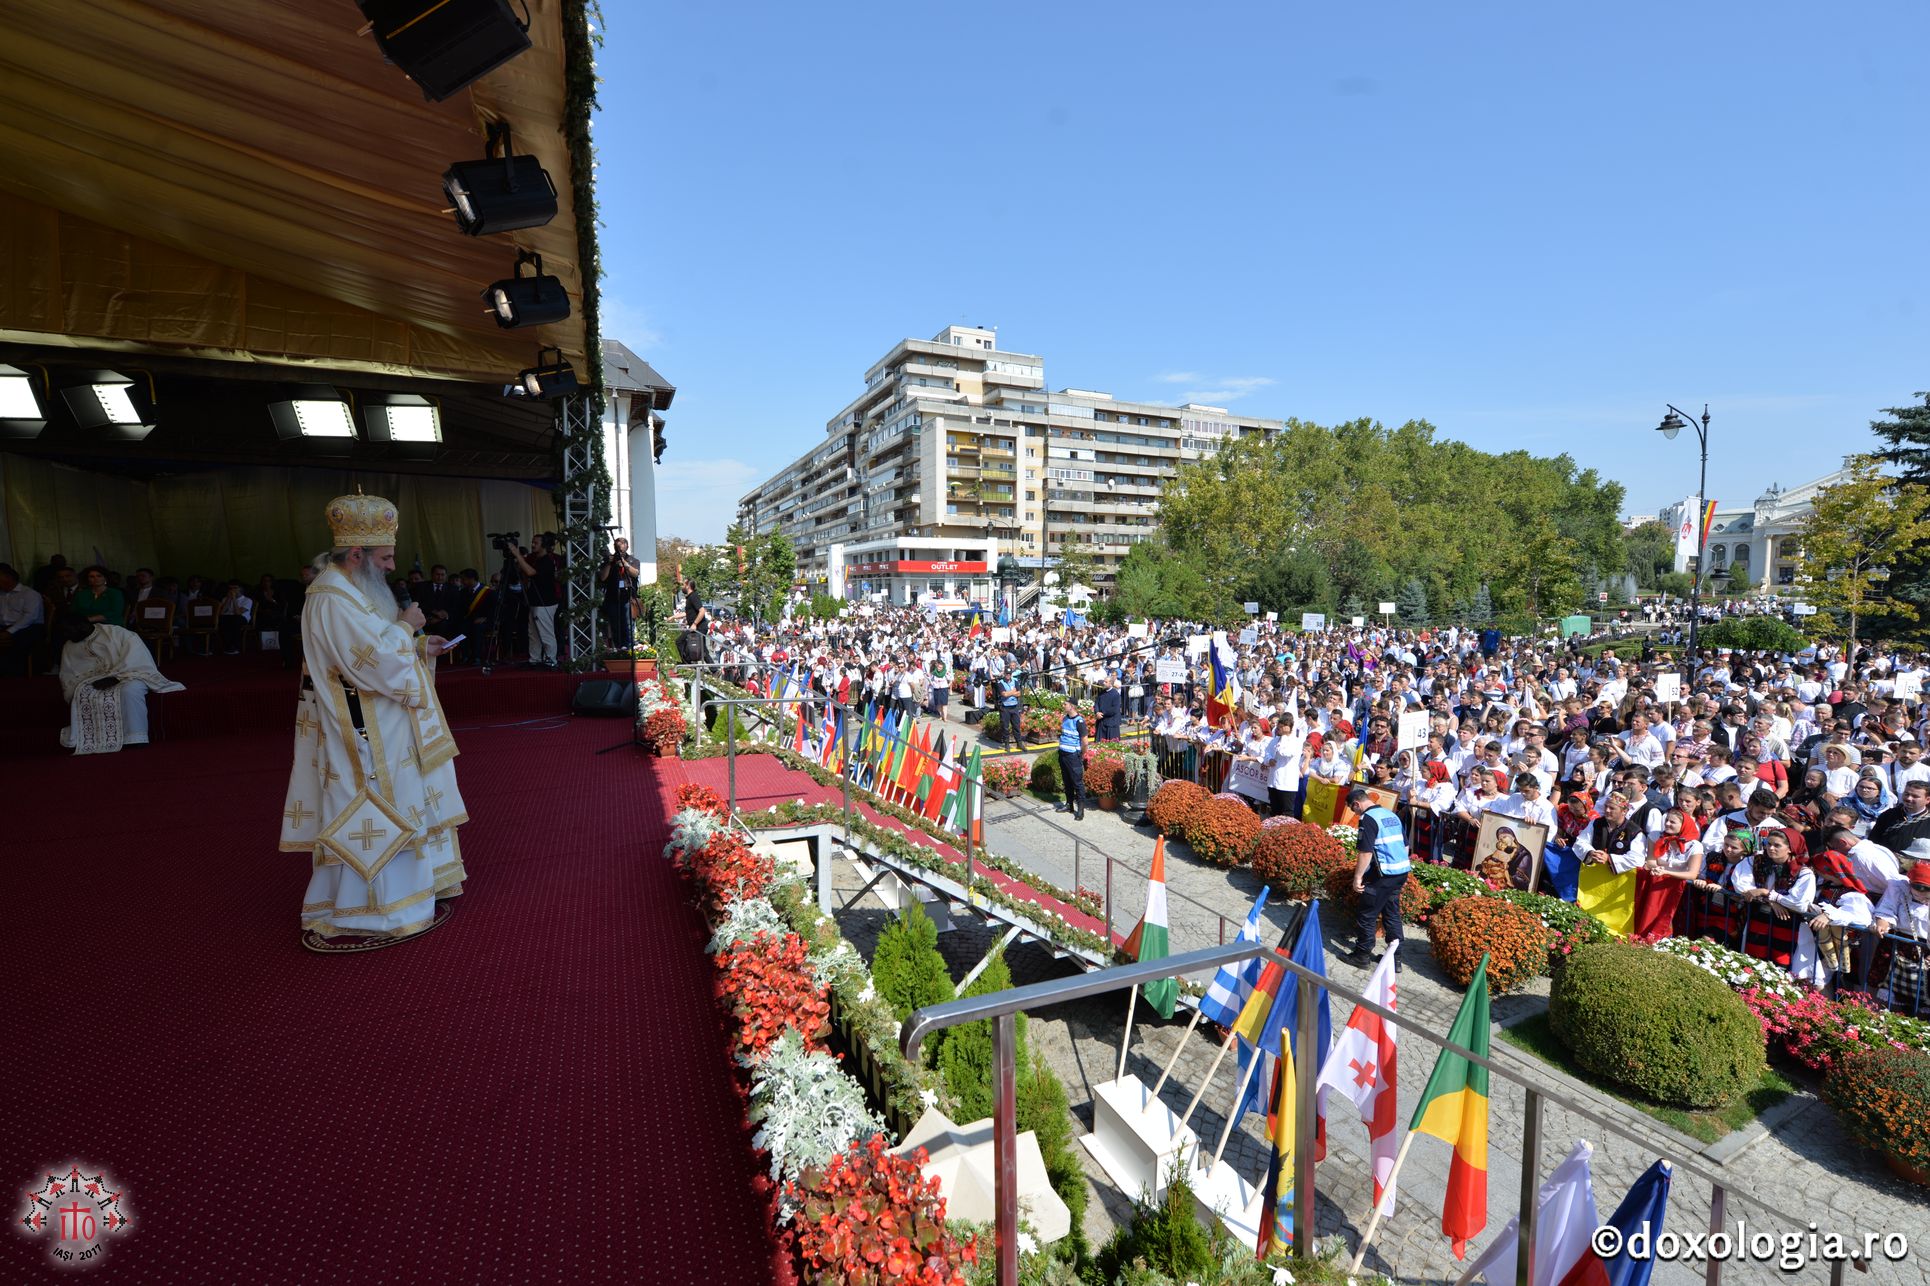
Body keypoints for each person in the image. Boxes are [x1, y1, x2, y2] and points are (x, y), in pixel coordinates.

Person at [279, 489, 467, 945]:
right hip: (364, 734)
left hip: (385, 724)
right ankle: (377, 912)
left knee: (402, 805)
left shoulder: (353, 591)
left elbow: (371, 647)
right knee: (378, 813)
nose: (390, 566)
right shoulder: (330, 599)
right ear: (357, 554)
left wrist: (422, 646)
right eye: (384, 557)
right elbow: (372, 664)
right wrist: (408, 627)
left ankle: (409, 894)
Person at [55, 612, 184, 753]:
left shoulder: (116, 633)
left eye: (69, 631)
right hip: (93, 682)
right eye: (64, 633)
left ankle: (135, 738)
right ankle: (98, 739)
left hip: (128, 674)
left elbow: (136, 657)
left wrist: (115, 677)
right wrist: (82, 687)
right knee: (83, 694)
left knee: (130, 690)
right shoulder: (69, 645)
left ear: (83, 625)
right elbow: (69, 674)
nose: (67, 636)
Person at [1342, 786, 1410, 968]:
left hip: (1383, 875)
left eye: (1351, 809)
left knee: (1367, 914)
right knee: (1391, 913)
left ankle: (1361, 955)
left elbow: (1365, 852)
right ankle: (1395, 959)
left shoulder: (1368, 818)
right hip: (1400, 871)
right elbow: (1405, 845)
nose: (1353, 813)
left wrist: (1357, 878)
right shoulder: (1391, 815)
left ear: (1356, 804)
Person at [514, 534, 561, 667]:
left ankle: (551, 660)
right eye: (532, 542)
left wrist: (517, 554)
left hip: (545, 602)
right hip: (535, 601)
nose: (533, 544)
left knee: (546, 633)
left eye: (536, 543)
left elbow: (530, 573)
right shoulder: (536, 559)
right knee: (533, 634)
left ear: (544, 546)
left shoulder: (547, 560)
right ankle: (535, 659)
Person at [0, 562, 46, 677]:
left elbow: (30, 617)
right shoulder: (1, 594)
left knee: (17, 642)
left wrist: (9, 632)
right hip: (5, 626)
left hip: (29, 626)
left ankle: (14, 676)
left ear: (8, 577)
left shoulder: (29, 594)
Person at [598, 539, 639, 652]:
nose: (621, 547)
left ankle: (628, 648)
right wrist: (610, 563)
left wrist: (625, 564)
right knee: (615, 625)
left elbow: (635, 573)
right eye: (618, 545)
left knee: (628, 625)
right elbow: (602, 577)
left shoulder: (632, 560)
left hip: (627, 597)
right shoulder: (609, 561)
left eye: (623, 545)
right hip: (612, 597)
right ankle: (618, 648)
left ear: (627, 546)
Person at [1057, 699, 1086, 821]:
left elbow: (1084, 741)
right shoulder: (1065, 718)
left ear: (1072, 706)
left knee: (1077, 783)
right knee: (1067, 781)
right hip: (1063, 753)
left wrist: (1081, 754)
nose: (1063, 705)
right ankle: (1069, 805)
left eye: (1065, 704)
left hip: (1073, 756)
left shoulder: (1079, 721)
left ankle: (1080, 809)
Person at [997, 669, 1023, 749]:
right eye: (1007, 673)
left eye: (1009, 673)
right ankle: (1007, 744)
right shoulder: (1000, 683)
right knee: (1005, 727)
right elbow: (1003, 694)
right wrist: (1013, 692)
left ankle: (1019, 743)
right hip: (1005, 707)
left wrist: (1009, 693)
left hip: (1014, 706)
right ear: (1004, 674)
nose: (1008, 675)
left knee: (1016, 726)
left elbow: (1019, 693)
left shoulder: (1015, 681)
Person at [1094, 672, 1123, 741]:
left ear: (1110, 683)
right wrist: (1097, 712)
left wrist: (1102, 713)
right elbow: (1096, 703)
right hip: (1101, 721)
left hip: (1111, 723)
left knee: (1111, 745)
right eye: (1104, 681)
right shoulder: (1101, 692)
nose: (1104, 683)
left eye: (1106, 682)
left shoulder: (1115, 694)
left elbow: (1114, 709)